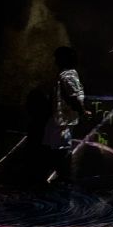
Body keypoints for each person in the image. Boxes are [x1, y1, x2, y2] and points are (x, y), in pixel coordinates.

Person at [42, 46, 88, 184]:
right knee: (57, 147)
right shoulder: (65, 74)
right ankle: (61, 176)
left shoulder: (68, 75)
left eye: (58, 57)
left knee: (62, 148)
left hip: (63, 119)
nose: (55, 61)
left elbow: (73, 96)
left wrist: (82, 111)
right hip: (60, 118)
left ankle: (64, 177)